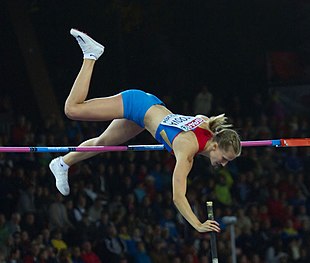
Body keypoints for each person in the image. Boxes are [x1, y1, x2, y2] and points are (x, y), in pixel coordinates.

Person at [49, 28, 242, 233]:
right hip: (138, 104)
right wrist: (198, 224)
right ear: (214, 145)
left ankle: (62, 163)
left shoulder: (207, 124)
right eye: (224, 158)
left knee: (101, 143)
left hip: (147, 111)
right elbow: (178, 196)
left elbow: (199, 121)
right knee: (72, 109)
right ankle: (91, 55)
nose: (224, 164)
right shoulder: (187, 151)